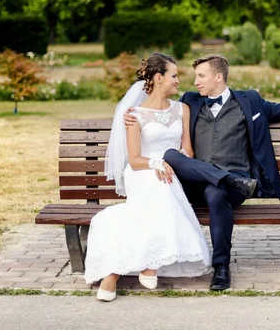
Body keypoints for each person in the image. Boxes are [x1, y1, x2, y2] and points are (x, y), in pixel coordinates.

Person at [125, 54, 280, 291]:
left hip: (231, 184)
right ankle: (230, 181)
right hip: (197, 182)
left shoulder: (250, 101)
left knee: (218, 193)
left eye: (201, 76)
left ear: (218, 77)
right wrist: (132, 115)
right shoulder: (189, 102)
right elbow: (158, 107)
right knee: (171, 155)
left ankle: (221, 267)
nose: (195, 82)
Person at [84, 53, 211, 302]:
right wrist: (156, 163)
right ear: (158, 77)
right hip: (142, 172)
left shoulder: (182, 109)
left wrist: (172, 161)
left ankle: (114, 274)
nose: (178, 81)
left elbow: (188, 150)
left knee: (160, 189)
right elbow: (134, 159)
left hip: (171, 171)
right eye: (173, 75)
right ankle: (145, 265)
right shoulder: (135, 114)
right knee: (159, 187)